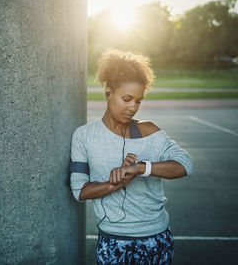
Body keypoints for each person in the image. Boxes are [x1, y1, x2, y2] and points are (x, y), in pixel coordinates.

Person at [69, 49, 193, 264]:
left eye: (138, 101)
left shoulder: (150, 131)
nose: (132, 107)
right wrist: (115, 184)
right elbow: (80, 191)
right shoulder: (84, 136)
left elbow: (185, 165)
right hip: (113, 241)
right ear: (108, 91)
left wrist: (138, 168)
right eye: (126, 99)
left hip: (156, 238)